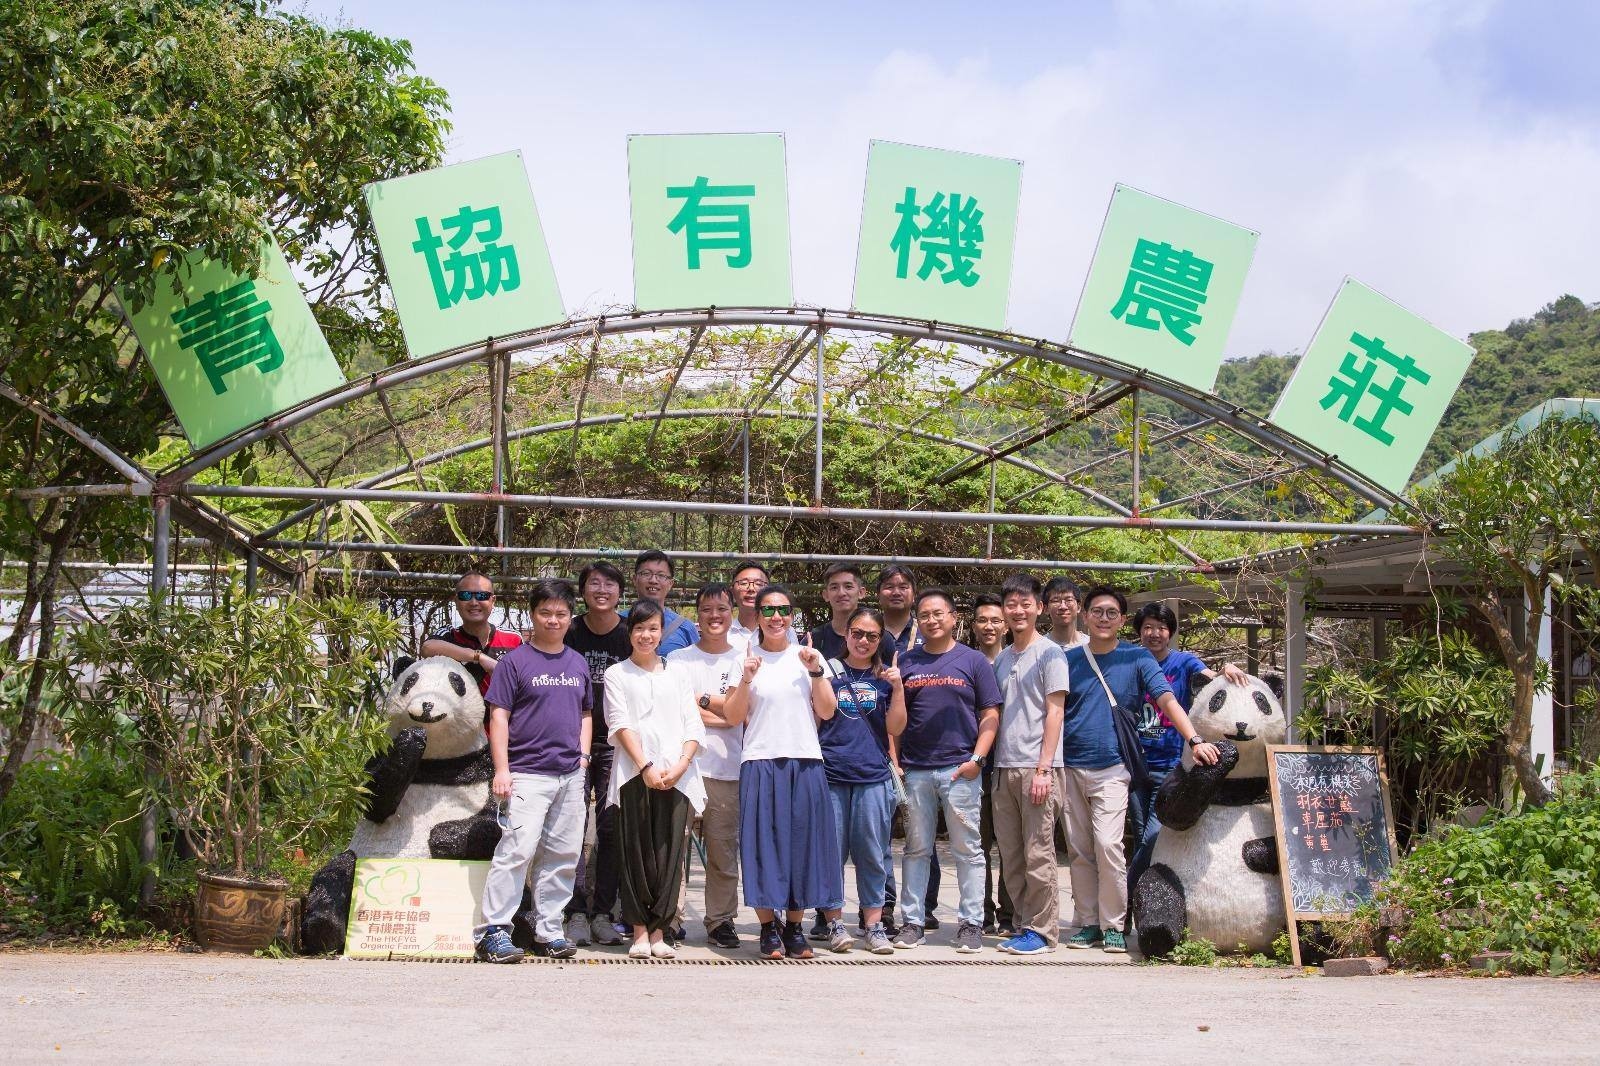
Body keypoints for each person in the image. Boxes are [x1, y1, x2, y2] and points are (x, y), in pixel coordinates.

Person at [1059, 586, 1221, 954]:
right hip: (1069, 766)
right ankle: (1087, 922)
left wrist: (1194, 740)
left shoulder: (1137, 659)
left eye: (1111, 613)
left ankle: (1114, 922)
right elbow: (1054, 712)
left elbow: (1167, 699)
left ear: (1121, 620)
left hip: (1114, 766)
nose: (1103, 618)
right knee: (1080, 850)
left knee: (1108, 845)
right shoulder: (1068, 661)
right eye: (1097, 611)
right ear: (1085, 616)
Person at [718, 584, 842, 959]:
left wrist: (816, 671)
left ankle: (794, 927)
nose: (776, 617)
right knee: (762, 847)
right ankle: (768, 928)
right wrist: (746, 678)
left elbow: (827, 711)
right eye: (768, 610)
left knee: (802, 847)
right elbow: (733, 716)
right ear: (757, 614)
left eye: (783, 610)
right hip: (760, 760)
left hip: (805, 760)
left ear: (792, 614)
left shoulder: (807, 656)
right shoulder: (743, 658)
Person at [473, 579, 593, 963]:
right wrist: (502, 769)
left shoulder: (576, 662)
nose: (553, 620)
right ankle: (493, 931)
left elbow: (586, 713)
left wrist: (584, 758)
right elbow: (499, 717)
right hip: (526, 772)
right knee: (517, 851)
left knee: (562, 854)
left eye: (561, 613)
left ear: (570, 617)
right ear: (532, 614)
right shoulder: (515, 663)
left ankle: (549, 930)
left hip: (569, 775)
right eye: (545, 612)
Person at [892, 589, 1002, 953]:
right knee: (916, 849)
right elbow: (893, 721)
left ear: (954, 617)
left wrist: (977, 760)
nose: (932, 620)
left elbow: (990, 715)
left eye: (939, 613)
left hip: (960, 769)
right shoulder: (907, 663)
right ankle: (912, 921)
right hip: (917, 771)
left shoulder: (973, 662)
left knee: (968, 850)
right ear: (917, 620)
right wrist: (898, 764)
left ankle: (971, 923)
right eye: (924, 614)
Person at [605, 599, 706, 960]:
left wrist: (680, 765)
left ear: (661, 632)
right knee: (636, 853)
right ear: (629, 632)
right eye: (639, 628)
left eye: (653, 628)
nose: (646, 635)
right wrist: (646, 766)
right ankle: (637, 932)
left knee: (670, 855)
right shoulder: (617, 674)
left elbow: (693, 724)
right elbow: (620, 723)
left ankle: (660, 930)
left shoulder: (677, 673)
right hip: (634, 774)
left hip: (678, 775)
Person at [1126, 602, 1249, 901]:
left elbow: (1211, 678)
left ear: (1170, 632)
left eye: (1162, 628)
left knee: (1153, 837)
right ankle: (1136, 902)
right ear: (1139, 631)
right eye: (1148, 628)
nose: (1155, 633)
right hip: (1134, 765)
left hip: (1169, 763)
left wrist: (1226, 668)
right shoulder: (1128, 662)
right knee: (1143, 836)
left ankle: (1126, 899)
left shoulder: (1183, 662)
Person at [817, 606, 907, 955]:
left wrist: (897, 689)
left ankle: (874, 924)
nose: (864, 641)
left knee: (872, 853)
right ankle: (834, 922)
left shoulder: (885, 679)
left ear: (880, 639)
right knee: (831, 853)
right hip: (832, 775)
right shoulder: (828, 674)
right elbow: (820, 716)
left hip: (871, 776)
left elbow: (895, 728)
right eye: (857, 633)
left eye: (872, 635)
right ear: (847, 635)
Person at [990, 574, 1069, 955]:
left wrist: (1043, 769)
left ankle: (1042, 932)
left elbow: (1055, 714)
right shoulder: (1004, 657)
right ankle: (1023, 924)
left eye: (1026, 604)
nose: (1018, 611)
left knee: (1040, 853)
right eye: (1011, 604)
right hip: (1004, 768)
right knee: (1013, 854)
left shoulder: (1051, 653)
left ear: (1039, 607)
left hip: (1038, 768)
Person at [666, 583, 746, 949]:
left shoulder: (745, 657)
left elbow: (743, 715)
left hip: (728, 769)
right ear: (697, 615)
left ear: (732, 613)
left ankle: (721, 920)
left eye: (722, 609)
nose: (715, 616)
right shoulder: (680, 659)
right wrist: (724, 713)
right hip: (684, 767)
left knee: (722, 850)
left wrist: (718, 714)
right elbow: (679, 713)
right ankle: (670, 917)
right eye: (707, 609)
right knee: (674, 848)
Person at [560, 561, 630, 948]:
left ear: (620, 591)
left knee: (610, 827)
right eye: (593, 584)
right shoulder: (569, 631)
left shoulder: (628, 633)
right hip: (571, 742)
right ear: (583, 591)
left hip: (617, 744)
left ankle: (603, 911)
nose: (601, 589)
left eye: (609, 583)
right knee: (570, 824)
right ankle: (572, 911)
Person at [876, 565, 934, 932]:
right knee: (879, 834)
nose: (896, 592)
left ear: (913, 593)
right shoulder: (869, 632)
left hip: (922, 749)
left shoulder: (927, 633)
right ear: (878, 593)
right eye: (889, 586)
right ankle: (882, 906)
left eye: (903, 586)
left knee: (921, 833)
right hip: (879, 745)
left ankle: (925, 906)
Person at [969, 591, 1014, 935]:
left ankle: (1010, 915)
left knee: (1012, 843)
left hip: (1012, 760)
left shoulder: (1016, 659)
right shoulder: (965, 660)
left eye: (996, 620)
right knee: (978, 843)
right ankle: (982, 913)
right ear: (972, 625)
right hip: (975, 762)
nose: (989, 626)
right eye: (982, 619)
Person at [421, 570, 522, 697]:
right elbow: (427, 648)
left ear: (493, 601)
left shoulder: (512, 638)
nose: (474, 602)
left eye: (482, 596)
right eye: (466, 596)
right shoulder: (448, 636)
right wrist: (478, 657)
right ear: (456, 601)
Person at [631, 550, 699, 655]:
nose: (653, 580)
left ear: (670, 584)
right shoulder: (618, 623)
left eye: (661, 575)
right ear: (635, 579)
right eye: (646, 573)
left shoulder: (685, 628)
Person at [1043, 576, 1088, 651]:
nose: (1063, 607)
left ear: (1079, 607)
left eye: (1069, 600)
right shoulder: (1039, 648)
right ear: (1046, 608)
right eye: (1056, 601)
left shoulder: (1091, 646)